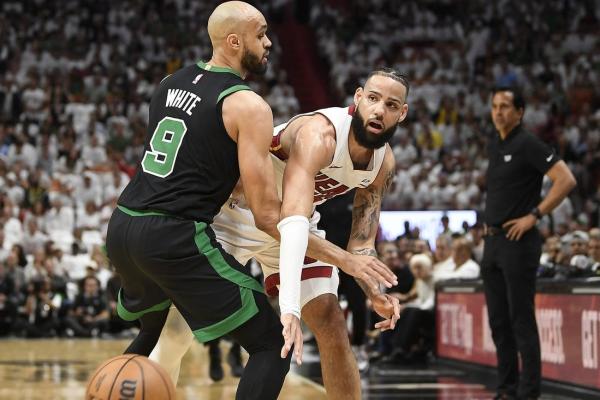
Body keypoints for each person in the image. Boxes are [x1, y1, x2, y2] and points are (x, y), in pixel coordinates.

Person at [148, 68, 408, 399]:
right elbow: (285, 221)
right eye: (372, 98)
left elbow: (361, 244)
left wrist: (373, 288)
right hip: (241, 215)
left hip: (292, 223)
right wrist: (308, 292)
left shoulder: (383, 164)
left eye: (390, 104)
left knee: (331, 322)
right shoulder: (320, 135)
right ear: (358, 99)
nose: (379, 110)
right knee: (178, 332)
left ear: (402, 113)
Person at [106, 2, 292, 399]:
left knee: (152, 335)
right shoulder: (248, 104)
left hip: (124, 223)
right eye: (260, 34)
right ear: (233, 40)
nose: (269, 42)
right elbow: (264, 213)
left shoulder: (169, 84)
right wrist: (334, 254)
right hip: (172, 234)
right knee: (272, 344)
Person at [482, 86, 576, 400]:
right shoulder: (496, 144)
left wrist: (534, 215)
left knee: (520, 319)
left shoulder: (529, 143)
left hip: (518, 241)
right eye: (495, 106)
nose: (498, 112)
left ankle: (529, 393)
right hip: (492, 242)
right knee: (498, 321)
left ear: (520, 112)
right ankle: (506, 389)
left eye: (506, 106)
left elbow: (566, 180)